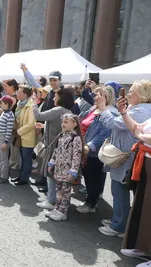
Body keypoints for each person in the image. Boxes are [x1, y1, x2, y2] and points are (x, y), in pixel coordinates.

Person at [97, 80, 151, 237]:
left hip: (126, 156)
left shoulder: (141, 110)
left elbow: (116, 124)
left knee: (119, 190)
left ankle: (119, 226)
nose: (127, 93)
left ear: (141, 94)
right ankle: (119, 220)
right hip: (130, 155)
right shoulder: (140, 108)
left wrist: (103, 109)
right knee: (119, 189)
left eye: (131, 90)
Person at [118, 94, 151, 266]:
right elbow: (136, 128)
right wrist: (124, 113)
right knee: (143, 206)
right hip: (146, 161)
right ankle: (143, 247)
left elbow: (140, 133)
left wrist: (141, 136)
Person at [34, 87, 75, 210]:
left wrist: (33, 102)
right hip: (60, 147)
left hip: (53, 148)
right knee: (53, 176)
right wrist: (44, 125)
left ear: (61, 98)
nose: (53, 98)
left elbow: (38, 115)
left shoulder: (58, 110)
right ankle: (51, 198)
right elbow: (56, 125)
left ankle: (51, 200)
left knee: (50, 175)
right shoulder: (67, 110)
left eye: (55, 96)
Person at [76, 86, 114, 214]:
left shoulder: (110, 113)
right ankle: (90, 200)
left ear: (107, 98)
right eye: (95, 94)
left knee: (94, 177)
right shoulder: (93, 109)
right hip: (85, 148)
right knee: (87, 175)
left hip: (95, 151)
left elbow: (104, 134)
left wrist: (89, 146)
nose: (95, 97)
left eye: (100, 95)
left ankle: (91, 204)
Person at [47, 114, 83, 221]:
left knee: (66, 190)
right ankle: (57, 207)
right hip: (59, 168)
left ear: (74, 124)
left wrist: (73, 171)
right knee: (59, 189)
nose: (63, 124)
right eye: (63, 122)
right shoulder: (62, 136)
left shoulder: (75, 138)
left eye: (66, 122)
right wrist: (52, 162)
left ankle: (63, 211)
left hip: (68, 170)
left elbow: (77, 156)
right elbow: (56, 150)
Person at [12, 85, 36, 185]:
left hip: (27, 136)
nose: (17, 93)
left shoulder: (31, 105)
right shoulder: (20, 103)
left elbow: (31, 123)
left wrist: (19, 131)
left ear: (25, 94)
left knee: (26, 159)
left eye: (19, 92)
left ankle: (24, 178)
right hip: (21, 135)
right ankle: (21, 176)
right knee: (22, 157)